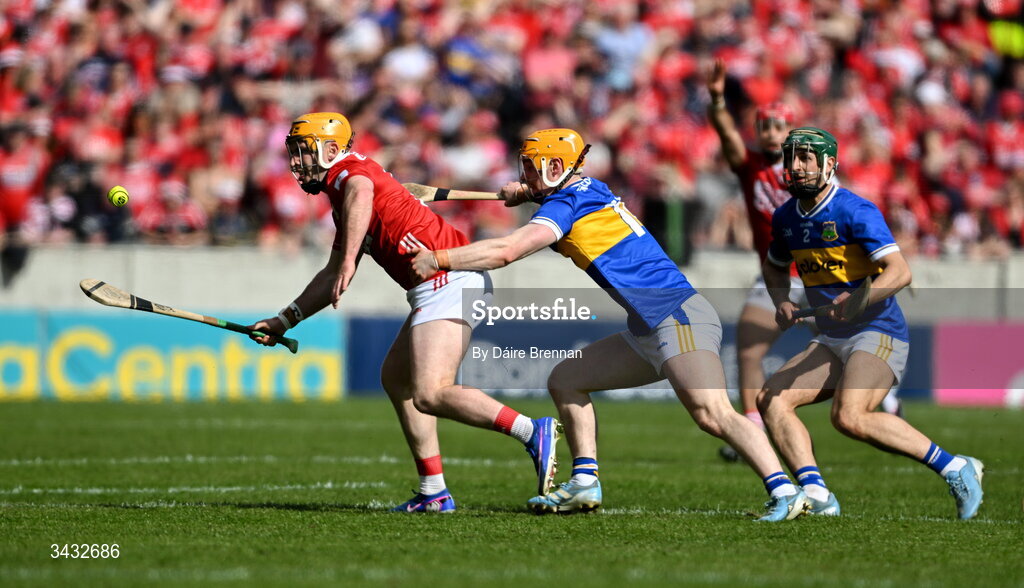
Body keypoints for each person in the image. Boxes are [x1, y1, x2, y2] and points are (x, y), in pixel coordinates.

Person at [409, 128, 809, 521]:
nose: (525, 174)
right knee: (566, 378)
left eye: (531, 168)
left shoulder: (567, 205)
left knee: (712, 412)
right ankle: (585, 481)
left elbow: (507, 251)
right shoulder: (588, 188)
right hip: (649, 327)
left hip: (676, 315)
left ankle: (785, 491)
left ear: (554, 166)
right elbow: (556, 196)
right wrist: (529, 193)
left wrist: (440, 259)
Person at [248, 112, 560, 513]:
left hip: (449, 277)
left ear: (330, 150)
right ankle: (434, 491)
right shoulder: (343, 200)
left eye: (303, 153)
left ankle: (532, 431)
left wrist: (348, 261)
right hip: (437, 285)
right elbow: (330, 277)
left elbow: (361, 194)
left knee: (431, 392)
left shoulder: (350, 175)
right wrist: (284, 320)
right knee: (397, 380)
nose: (295, 163)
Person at [757, 126, 984, 519]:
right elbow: (775, 267)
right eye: (791, 157)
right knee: (771, 399)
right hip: (831, 336)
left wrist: (860, 297)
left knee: (849, 416)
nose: (795, 166)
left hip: (877, 331)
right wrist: (781, 301)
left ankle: (954, 466)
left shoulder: (854, 210)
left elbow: (899, 272)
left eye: (805, 158)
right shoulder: (786, 217)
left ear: (830, 165)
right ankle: (818, 494)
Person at [704, 59, 901, 463]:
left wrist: (886, 270)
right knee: (748, 348)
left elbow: (853, 225)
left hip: (824, 278)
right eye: (764, 126)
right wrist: (718, 99)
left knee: (853, 338)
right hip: (778, 273)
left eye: (779, 127)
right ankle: (751, 430)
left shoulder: (815, 170)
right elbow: (725, 132)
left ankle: (886, 392)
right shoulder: (752, 168)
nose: (771, 133)